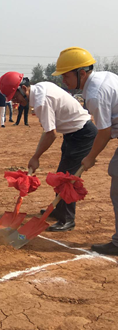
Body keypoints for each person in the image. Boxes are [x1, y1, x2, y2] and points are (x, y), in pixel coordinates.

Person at [0, 71, 96, 231]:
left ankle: (67, 219)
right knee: (63, 174)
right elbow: (49, 130)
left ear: (24, 88)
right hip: (72, 133)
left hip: (82, 133)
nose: (14, 101)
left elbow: (51, 133)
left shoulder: (41, 101)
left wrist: (36, 157)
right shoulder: (40, 89)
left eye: (15, 96)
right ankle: (59, 211)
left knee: (66, 179)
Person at [53, 47, 118, 254]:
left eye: (66, 75)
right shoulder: (104, 77)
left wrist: (90, 158)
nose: (64, 80)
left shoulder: (94, 93)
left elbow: (105, 131)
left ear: (82, 73)